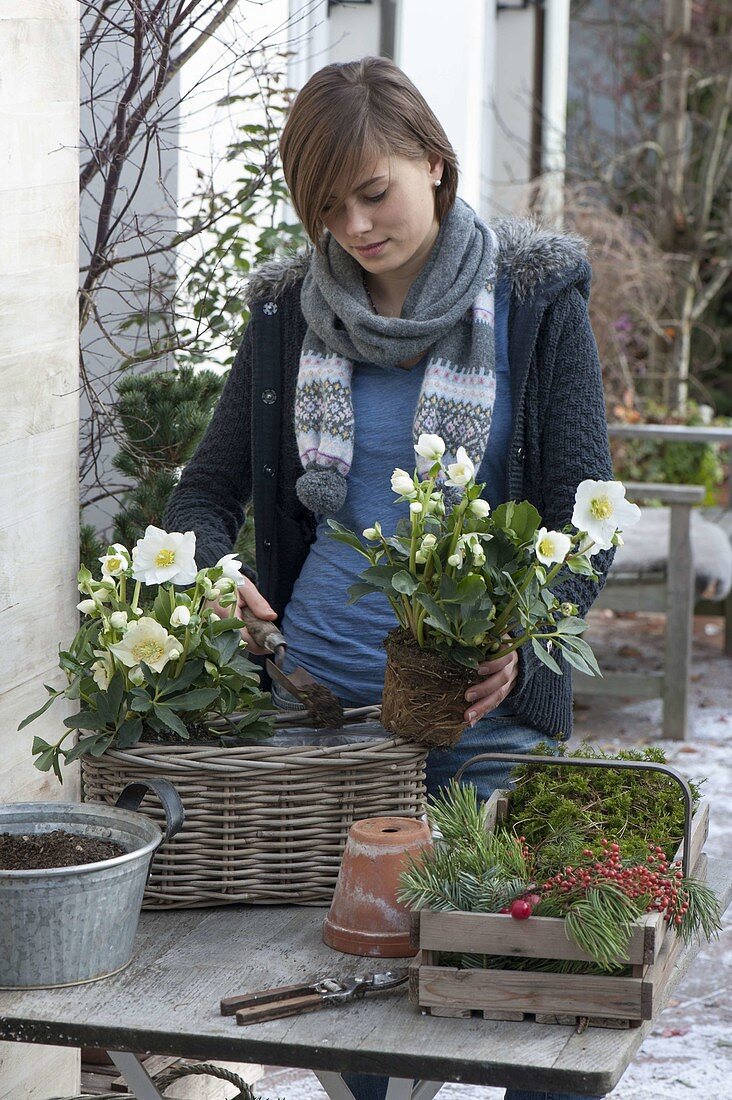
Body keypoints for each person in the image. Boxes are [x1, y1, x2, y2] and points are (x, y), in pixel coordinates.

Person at [164, 57, 614, 1100]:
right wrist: (214, 567)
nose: (356, 226)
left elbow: (582, 510)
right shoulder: (287, 313)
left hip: (487, 715)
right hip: (325, 717)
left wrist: (531, 627)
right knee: (356, 1018)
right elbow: (203, 492)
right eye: (328, 205)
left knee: (537, 1007)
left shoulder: (536, 301)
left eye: (375, 192)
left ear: (435, 163)